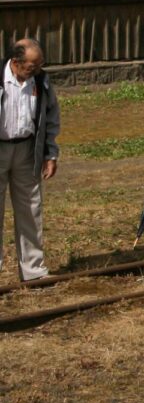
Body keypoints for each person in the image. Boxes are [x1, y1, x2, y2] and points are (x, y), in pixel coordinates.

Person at [1, 39, 58, 282]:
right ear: (15, 62)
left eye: (39, 65)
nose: (36, 70)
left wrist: (50, 153)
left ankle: (33, 271)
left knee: (31, 210)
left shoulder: (42, 81)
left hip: (27, 151)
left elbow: (51, 118)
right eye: (31, 66)